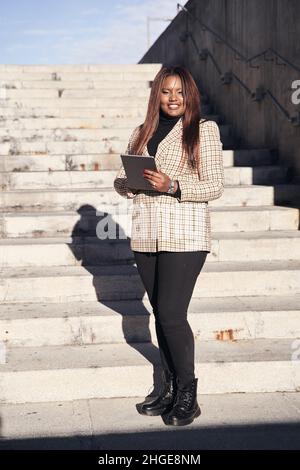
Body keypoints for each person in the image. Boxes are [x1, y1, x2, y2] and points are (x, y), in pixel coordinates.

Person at [113, 65, 224, 426]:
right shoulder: (140, 132)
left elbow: (214, 186)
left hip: (185, 234)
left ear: (189, 95)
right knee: (161, 313)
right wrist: (129, 183)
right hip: (146, 233)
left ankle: (188, 394)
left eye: (180, 92)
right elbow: (120, 180)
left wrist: (172, 185)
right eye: (166, 91)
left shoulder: (204, 130)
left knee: (173, 314)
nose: (173, 98)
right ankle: (169, 387)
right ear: (156, 95)